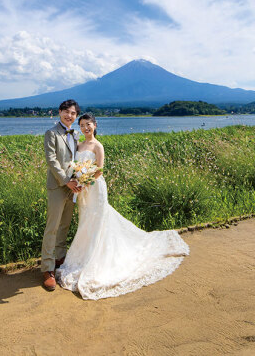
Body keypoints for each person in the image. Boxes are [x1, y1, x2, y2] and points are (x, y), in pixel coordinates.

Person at [56, 113, 189, 299]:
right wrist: (76, 179)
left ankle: (97, 258)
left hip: (94, 188)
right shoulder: (78, 145)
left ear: (95, 125)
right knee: (86, 222)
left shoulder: (97, 146)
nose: (86, 128)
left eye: (89, 124)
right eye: (82, 125)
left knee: (98, 221)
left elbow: (100, 170)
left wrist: (85, 181)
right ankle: (84, 255)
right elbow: (75, 165)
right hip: (83, 191)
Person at [41, 99, 83, 291]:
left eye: (73, 113)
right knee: (52, 227)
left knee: (65, 225)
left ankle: (59, 259)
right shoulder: (51, 133)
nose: (69, 115)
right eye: (66, 112)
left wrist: (79, 180)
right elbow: (51, 160)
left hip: (73, 186)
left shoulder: (75, 135)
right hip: (58, 186)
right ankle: (47, 268)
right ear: (59, 112)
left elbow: (76, 161)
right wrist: (66, 180)